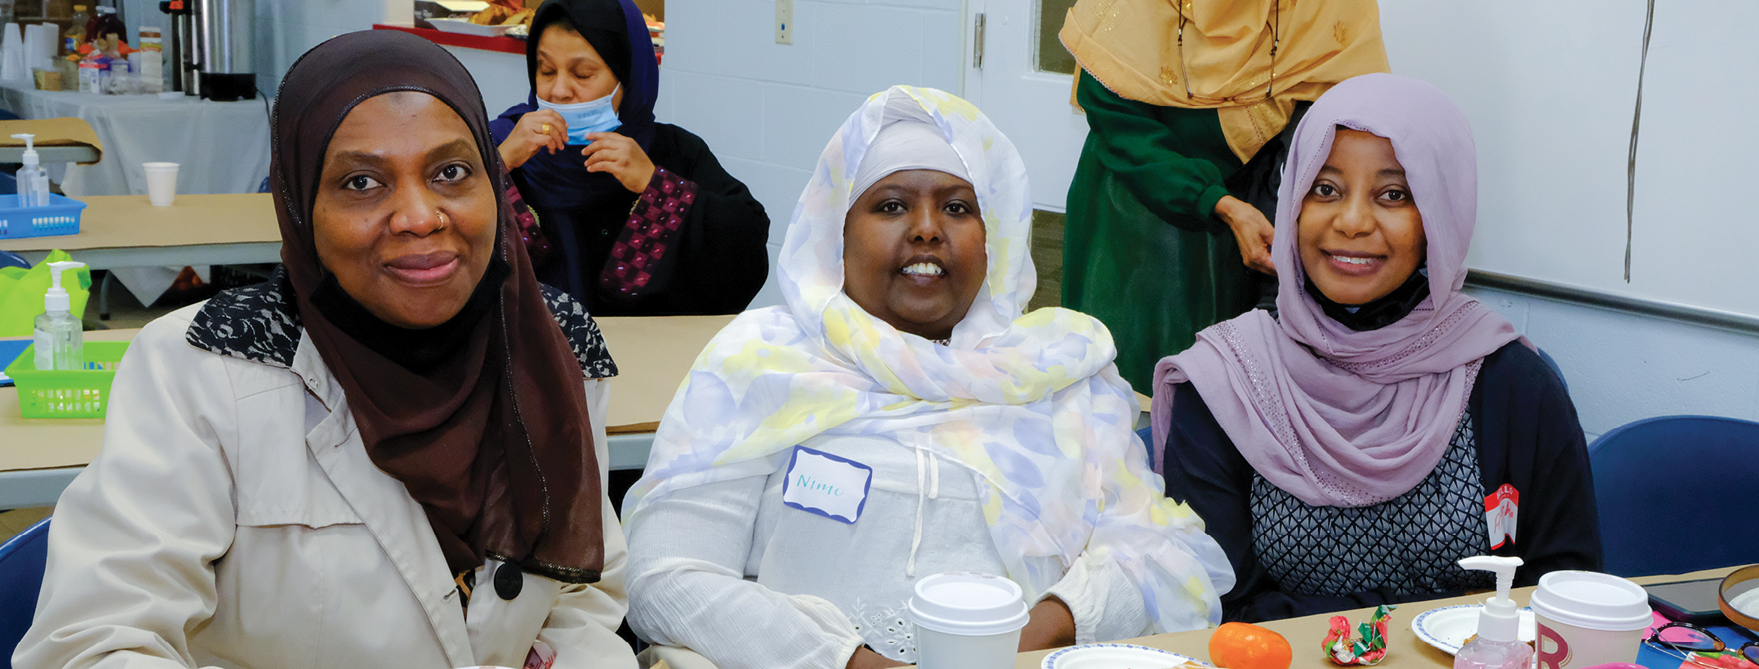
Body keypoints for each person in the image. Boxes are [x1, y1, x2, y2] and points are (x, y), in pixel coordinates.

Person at [14, 31, 636, 669]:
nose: (420, 217)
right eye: (362, 182)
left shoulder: (551, 349)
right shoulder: (202, 367)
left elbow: (579, 611)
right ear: (299, 207)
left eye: (451, 172)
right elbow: (95, 644)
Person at [619, 86, 1233, 669]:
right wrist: (846, 661)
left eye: (958, 207)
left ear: (995, 239)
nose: (926, 229)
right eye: (890, 205)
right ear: (838, 233)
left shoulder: (1060, 374)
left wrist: (1040, 627)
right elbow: (668, 574)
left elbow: (1161, 555)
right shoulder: (762, 363)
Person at [1149, 74, 1603, 624]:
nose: (1353, 222)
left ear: (1440, 216)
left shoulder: (1508, 382)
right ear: (1292, 204)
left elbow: (1562, 591)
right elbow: (1217, 607)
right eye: (1325, 189)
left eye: (1394, 194)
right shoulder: (1227, 382)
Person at [1058, 0, 1389, 390]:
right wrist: (1218, 203)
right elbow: (1120, 124)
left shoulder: (1320, 8)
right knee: (1129, 386)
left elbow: (1328, 121)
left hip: (1257, 206)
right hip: (1135, 205)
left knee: (1230, 388)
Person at [491, 0, 769, 316]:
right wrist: (498, 165)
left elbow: (746, 246)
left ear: (630, 76)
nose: (559, 91)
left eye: (582, 74)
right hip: (530, 355)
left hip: (650, 355)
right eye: (546, 70)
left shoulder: (672, 152)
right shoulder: (503, 144)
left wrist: (655, 185)